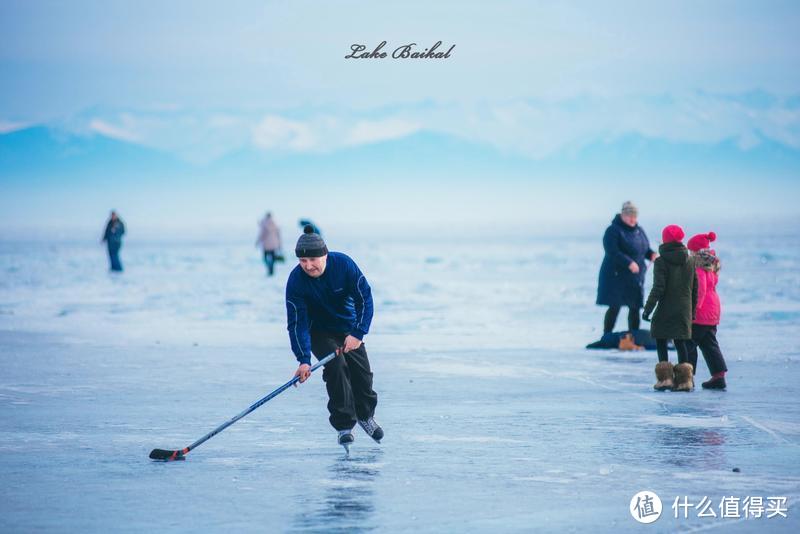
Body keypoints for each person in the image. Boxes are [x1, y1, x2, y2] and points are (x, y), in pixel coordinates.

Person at [286, 225, 383, 448]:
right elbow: (297, 323)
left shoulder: (344, 265)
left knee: (362, 375)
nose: (308, 266)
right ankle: (344, 425)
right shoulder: (296, 282)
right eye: (302, 261)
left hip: (349, 327)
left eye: (312, 259)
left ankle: (365, 416)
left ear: (325, 255)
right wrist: (303, 360)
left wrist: (358, 333)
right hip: (319, 331)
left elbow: (364, 299)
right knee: (337, 367)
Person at [643, 225, 698, 392]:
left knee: (661, 338)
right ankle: (685, 381)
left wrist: (648, 309)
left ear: (665, 240)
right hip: (683, 309)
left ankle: (665, 379)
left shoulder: (661, 261)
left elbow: (658, 288)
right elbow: (695, 289)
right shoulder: (690, 260)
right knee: (680, 342)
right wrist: (692, 311)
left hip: (666, 308)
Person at [596, 201, 657, 334]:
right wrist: (628, 262)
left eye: (634, 216)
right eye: (629, 215)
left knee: (634, 306)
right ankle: (607, 334)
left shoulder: (639, 230)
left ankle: (634, 335)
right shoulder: (613, 230)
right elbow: (612, 251)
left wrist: (651, 254)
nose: (632, 218)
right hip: (616, 275)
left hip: (635, 277)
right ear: (623, 215)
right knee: (615, 306)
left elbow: (644, 248)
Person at [686, 232, 728, 390]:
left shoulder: (699, 267)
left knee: (689, 343)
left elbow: (700, 291)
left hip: (702, 312)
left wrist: (692, 310)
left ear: (695, 252)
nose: (689, 254)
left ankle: (687, 377)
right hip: (713, 310)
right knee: (709, 343)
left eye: (690, 251)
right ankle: (719, 376)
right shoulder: (710, 264)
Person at [255, 212, 282, 276]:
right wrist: (279, 245)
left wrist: (257, 242)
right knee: (273, 259)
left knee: (265, 258)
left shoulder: (264, 224)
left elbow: (262, 235)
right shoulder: (275, 224)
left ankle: (269, 269)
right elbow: (278, 235)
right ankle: (271, 270)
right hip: (274, 245)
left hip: (266, 245)